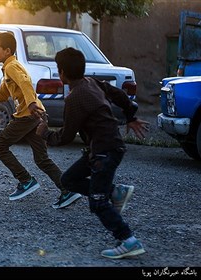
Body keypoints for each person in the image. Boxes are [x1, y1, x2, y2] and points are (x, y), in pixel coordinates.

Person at [36, 47, 150, 259]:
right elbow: (119, 94)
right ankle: (115, 192)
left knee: (97, 202)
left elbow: (65, 136)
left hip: (104, 152)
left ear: (61, 73)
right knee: (68, 179)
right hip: (102, 149)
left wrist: (44, 133)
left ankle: (128, 240)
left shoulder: (75, 97)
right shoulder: (91, 82)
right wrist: (130, 115)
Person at [0, 32, 81, 208]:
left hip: (28, 115)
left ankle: (25, 180)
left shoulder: (13, 67)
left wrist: (30, 104)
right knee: (42, 159)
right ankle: (67, 190)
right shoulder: (9, 67)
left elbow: (26, 83)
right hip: (37, 115)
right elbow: (2, 95)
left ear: (7, 51)